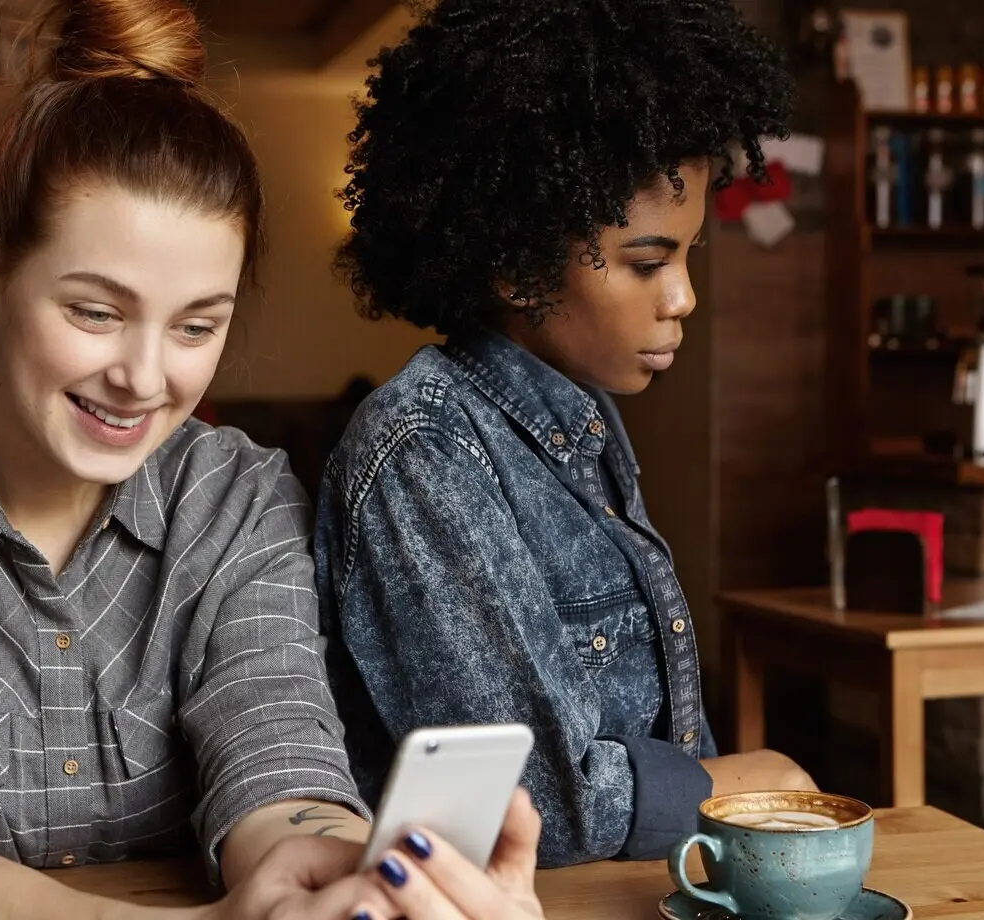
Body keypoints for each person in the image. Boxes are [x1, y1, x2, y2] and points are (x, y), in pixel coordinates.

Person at [0, 2, 543, 919]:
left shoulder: (237, 496)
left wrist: (353, 879)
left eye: (195, 326)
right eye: (95, 312)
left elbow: (276, 748)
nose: (143, 379)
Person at [316, 0, 818, 869]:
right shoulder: (423, 452)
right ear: (516, 263)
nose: (682, 298)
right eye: (648, 262)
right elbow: (528, 797)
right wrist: (732, 786)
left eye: (689, 257)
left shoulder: (582, 420)